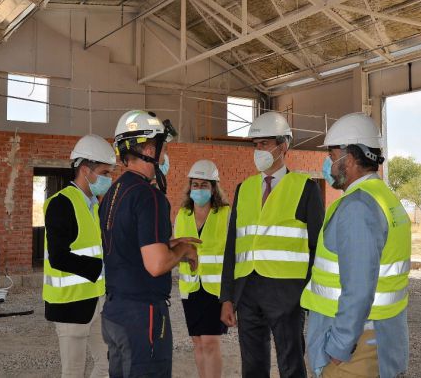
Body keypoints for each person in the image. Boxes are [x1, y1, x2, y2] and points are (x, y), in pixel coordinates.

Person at [300, 113, 411, 378]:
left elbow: (359, 289)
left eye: (331, 156)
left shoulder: (357, 207)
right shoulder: (384, 198)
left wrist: (339, 346)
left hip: (355, 348)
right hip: (380, 334)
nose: (328, 164)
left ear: (348, 160)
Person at [219, 111, 325, 378]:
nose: (259, 151)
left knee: (291, 365)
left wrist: (310, 295)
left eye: (265, 144)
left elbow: (317, 248)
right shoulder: (244, 189)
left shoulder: (306, 188)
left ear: (283, 146)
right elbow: (232, 247)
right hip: (247, 291)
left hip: (288, 293)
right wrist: (227, 298)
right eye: (256, 145)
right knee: (252, 366)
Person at [99, 110, 199, 378]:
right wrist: (184, 250)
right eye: (163, 151)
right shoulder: (149, 196)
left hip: (114, 312)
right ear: (149, 149)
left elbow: (130, 243)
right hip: (141, 316)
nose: (164, 158)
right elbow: (156, 265)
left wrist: (170, 242)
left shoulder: (113, 193)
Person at [43, 134, 116, 378]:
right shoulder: (61, 203)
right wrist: (100, 268)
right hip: (69, 305)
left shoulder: (93, 205)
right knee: (73, 372)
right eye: (105, 173)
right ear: (85, 170)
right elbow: (58, 257)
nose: (109, 179)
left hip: (95, 301)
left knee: (107, 364)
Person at [175, 160, 230, 378]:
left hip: (215, 290)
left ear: (213, 187)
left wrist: (231, 294)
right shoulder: (183, 215)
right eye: (195, 185)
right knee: (197, 342)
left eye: (204, 185)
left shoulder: (225, 214)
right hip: (190, 288)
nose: (198, 189)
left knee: (210, 342)